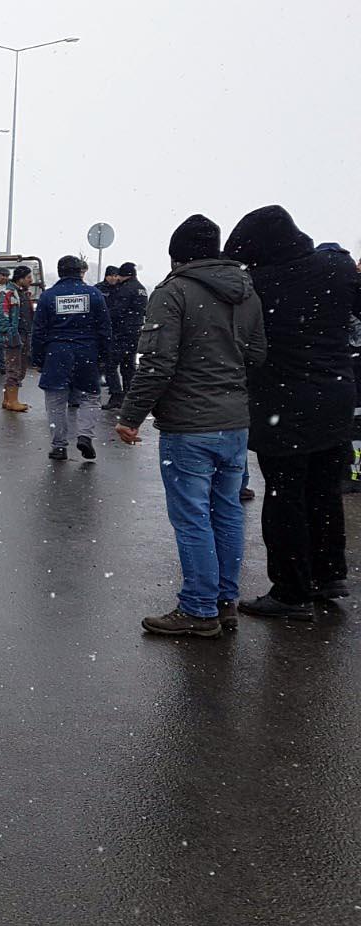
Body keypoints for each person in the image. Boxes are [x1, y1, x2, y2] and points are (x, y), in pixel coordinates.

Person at [115, 214, 266, 637]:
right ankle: (223, 602)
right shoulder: (247, 293)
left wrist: (130, 416)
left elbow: (157, 363)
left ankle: (198, 610)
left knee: (192, 517)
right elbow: (257, 355)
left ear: (176, 253)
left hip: (190, 425)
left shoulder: (174, 291)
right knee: (228, 513)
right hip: (235, 423)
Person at [225, 209, 361, 620]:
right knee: (324, 490)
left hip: (284, 408)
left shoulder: (260, 285)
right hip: (335, 398)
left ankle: (291, 591)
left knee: (285, 499)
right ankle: (329, 573)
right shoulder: (335, 268)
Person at [30, 255, 112, 460]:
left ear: (59, 272)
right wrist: (103, 356)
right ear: (80, 272)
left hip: (56, 353)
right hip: (86, 351)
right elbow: (105, 329)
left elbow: (38, 331)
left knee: (56, 401)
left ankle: (59, 445)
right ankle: (85, 436)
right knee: (90, 397)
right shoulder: (94, 294)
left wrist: (38, 359)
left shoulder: (48, 296)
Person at [102, 262, 148, 410]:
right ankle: (129, 396)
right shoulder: (141, 289)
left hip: (122, 332)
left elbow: (117, 312)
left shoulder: (125, 289)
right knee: (128, 366)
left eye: (120, 275)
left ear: (125, 275)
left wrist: (104, 320)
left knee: (109, 365)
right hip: (135, 332)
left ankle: (116, 395)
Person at [0, 265, 34, 412]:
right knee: (14, 369)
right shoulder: (7, 293)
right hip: (14, 337)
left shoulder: (22, 293)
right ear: (21, 278)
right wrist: (10, 334)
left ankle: (8, 400)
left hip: (23, 335)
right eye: (29, 277)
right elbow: (0, 316)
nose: (31, 280)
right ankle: (12, 401)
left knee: (20, 369)